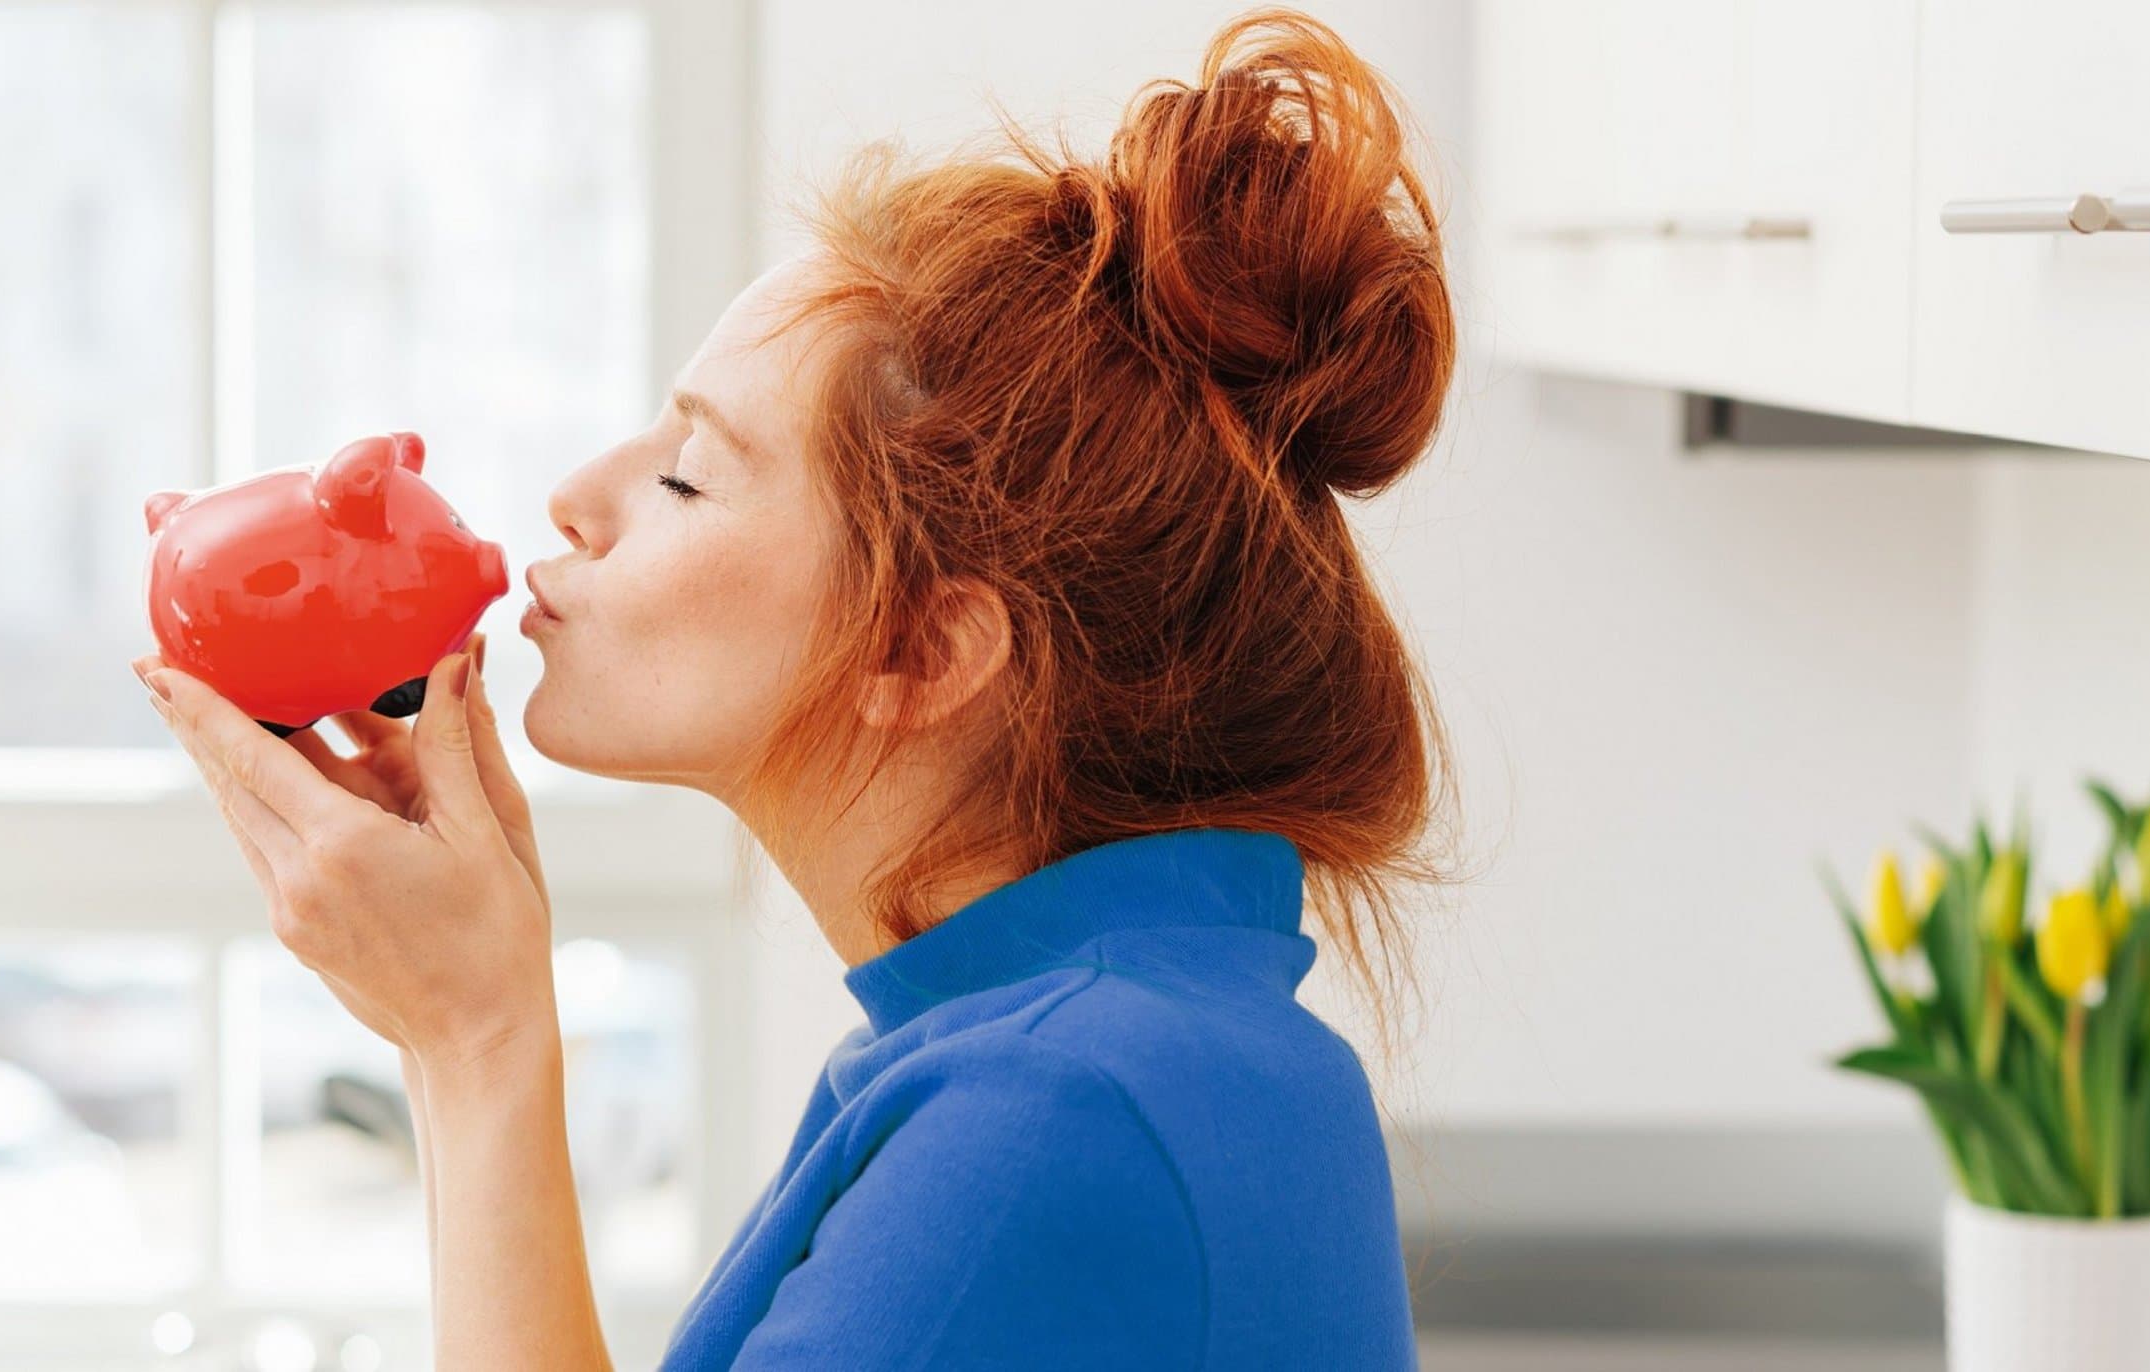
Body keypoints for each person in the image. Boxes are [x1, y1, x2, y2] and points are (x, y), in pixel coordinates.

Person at [135, 5, 1467, 1366]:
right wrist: (441, 1030)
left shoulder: (1052, 1115)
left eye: (684, 475)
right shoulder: (1075, 1049)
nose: (578, 497)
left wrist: (479, 1037)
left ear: (924, 650)